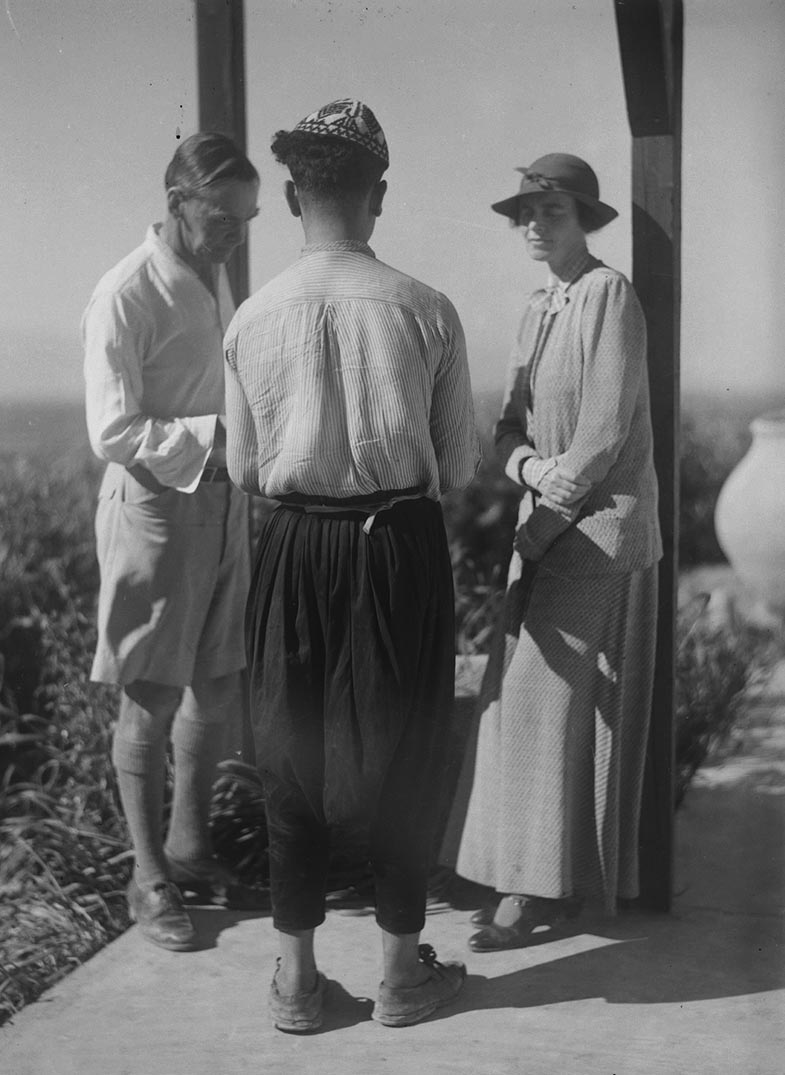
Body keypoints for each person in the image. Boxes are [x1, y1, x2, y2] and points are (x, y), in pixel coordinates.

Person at [223, 99, 480, 1031]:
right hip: (397, 543)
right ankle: (401, 975)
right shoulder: (427, 308)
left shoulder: (250, 317)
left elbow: (246, 468)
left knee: (289, 745)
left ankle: (295, 981)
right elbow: (457, 464)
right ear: (378, 195)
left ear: (292, 194)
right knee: (407, 743)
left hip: (291, 543)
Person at [448, 153, 662, 951]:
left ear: (584, 220)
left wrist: (544, 505)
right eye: (526, 214)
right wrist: (529, 473)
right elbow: (505, 430)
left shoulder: (609, 295)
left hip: (597, 531)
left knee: (544, 702)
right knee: (522, 702)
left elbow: (603, 433)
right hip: (545, 519)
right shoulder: (538, 307)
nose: (535, 226)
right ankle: (532, 876)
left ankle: (527, 891)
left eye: (553, 212)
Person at [83, 132, 260, 952]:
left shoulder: (211, 271)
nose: (235, 233)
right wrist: (217, 437)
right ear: (176, 201)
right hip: (155, 508)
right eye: (222, 217)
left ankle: (190, 846)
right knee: (149, 693)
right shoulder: (124, 291)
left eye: (245, 219)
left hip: (219, 503)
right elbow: (111, 428)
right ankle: (146, 876)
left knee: (216, 679)